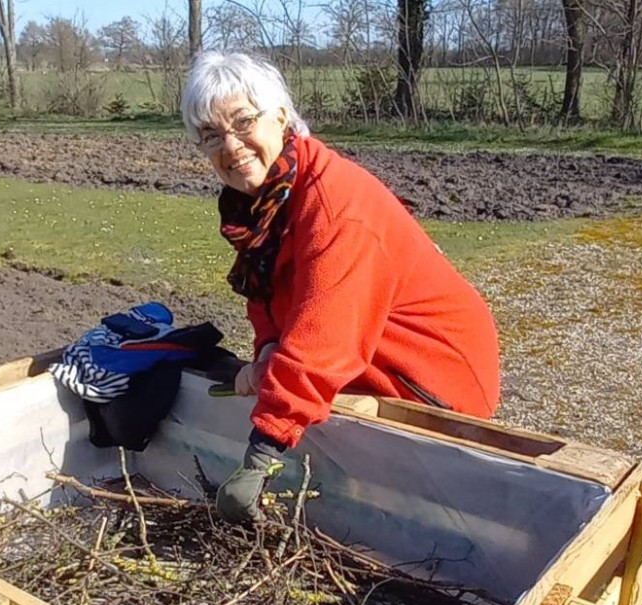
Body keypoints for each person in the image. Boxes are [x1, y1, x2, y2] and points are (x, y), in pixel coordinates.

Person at [180, 50, 500, 523]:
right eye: (211, 135)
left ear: (282, 118)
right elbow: (266, 291)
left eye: (244, 122)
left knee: (423, 517)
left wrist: (260, 458)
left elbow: (324, 339)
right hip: (363, 358)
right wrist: (268, 348)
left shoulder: (334, 205)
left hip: (429, 374)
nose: (231, 146)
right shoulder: (259, 204)